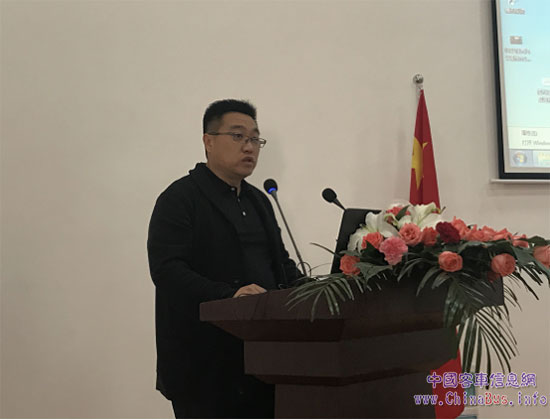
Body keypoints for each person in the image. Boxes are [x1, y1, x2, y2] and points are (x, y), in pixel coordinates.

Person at [147, 99, 301, 418]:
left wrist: (317, 291)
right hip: (203, 363)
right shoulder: (180, 199)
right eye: (238, 136)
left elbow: (281, 266)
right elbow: (167, 271)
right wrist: (229, 296)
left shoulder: (259, 200)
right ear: (208, 141)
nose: (249, 146)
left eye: (255, 138)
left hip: (264, 360)